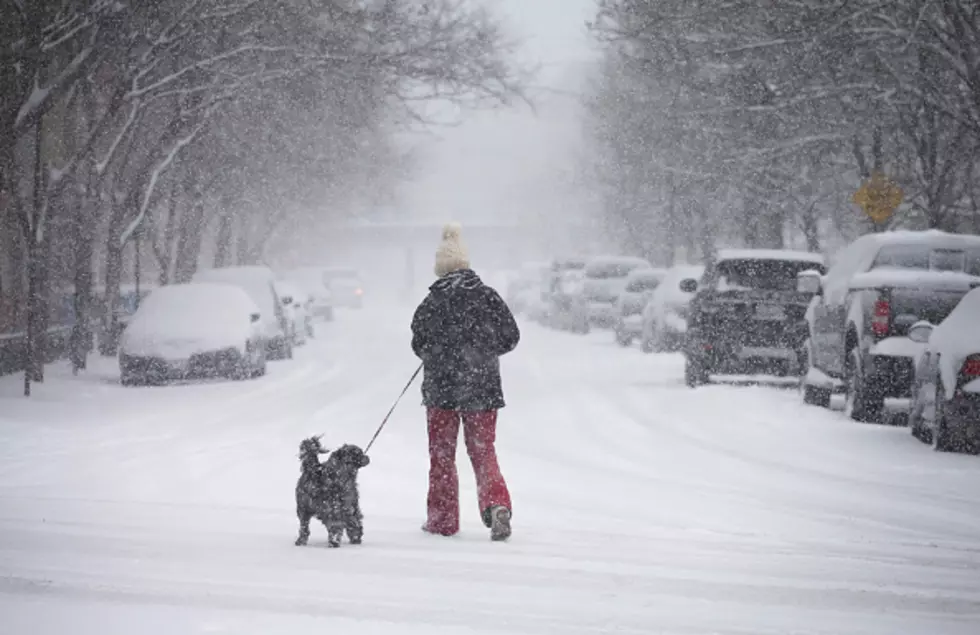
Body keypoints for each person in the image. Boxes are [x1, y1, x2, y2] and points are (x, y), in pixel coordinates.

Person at [410, 222, 521, 541]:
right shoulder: (488, 297)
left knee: (442, 456)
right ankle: (497, 505)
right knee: (484, 452)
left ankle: (442, 520)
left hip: (441, 392)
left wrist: (439, 354)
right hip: (482, 389)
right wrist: (482, 353)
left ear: (441, 268)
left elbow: (418, 343)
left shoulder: (432, 302)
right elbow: (511, 336)